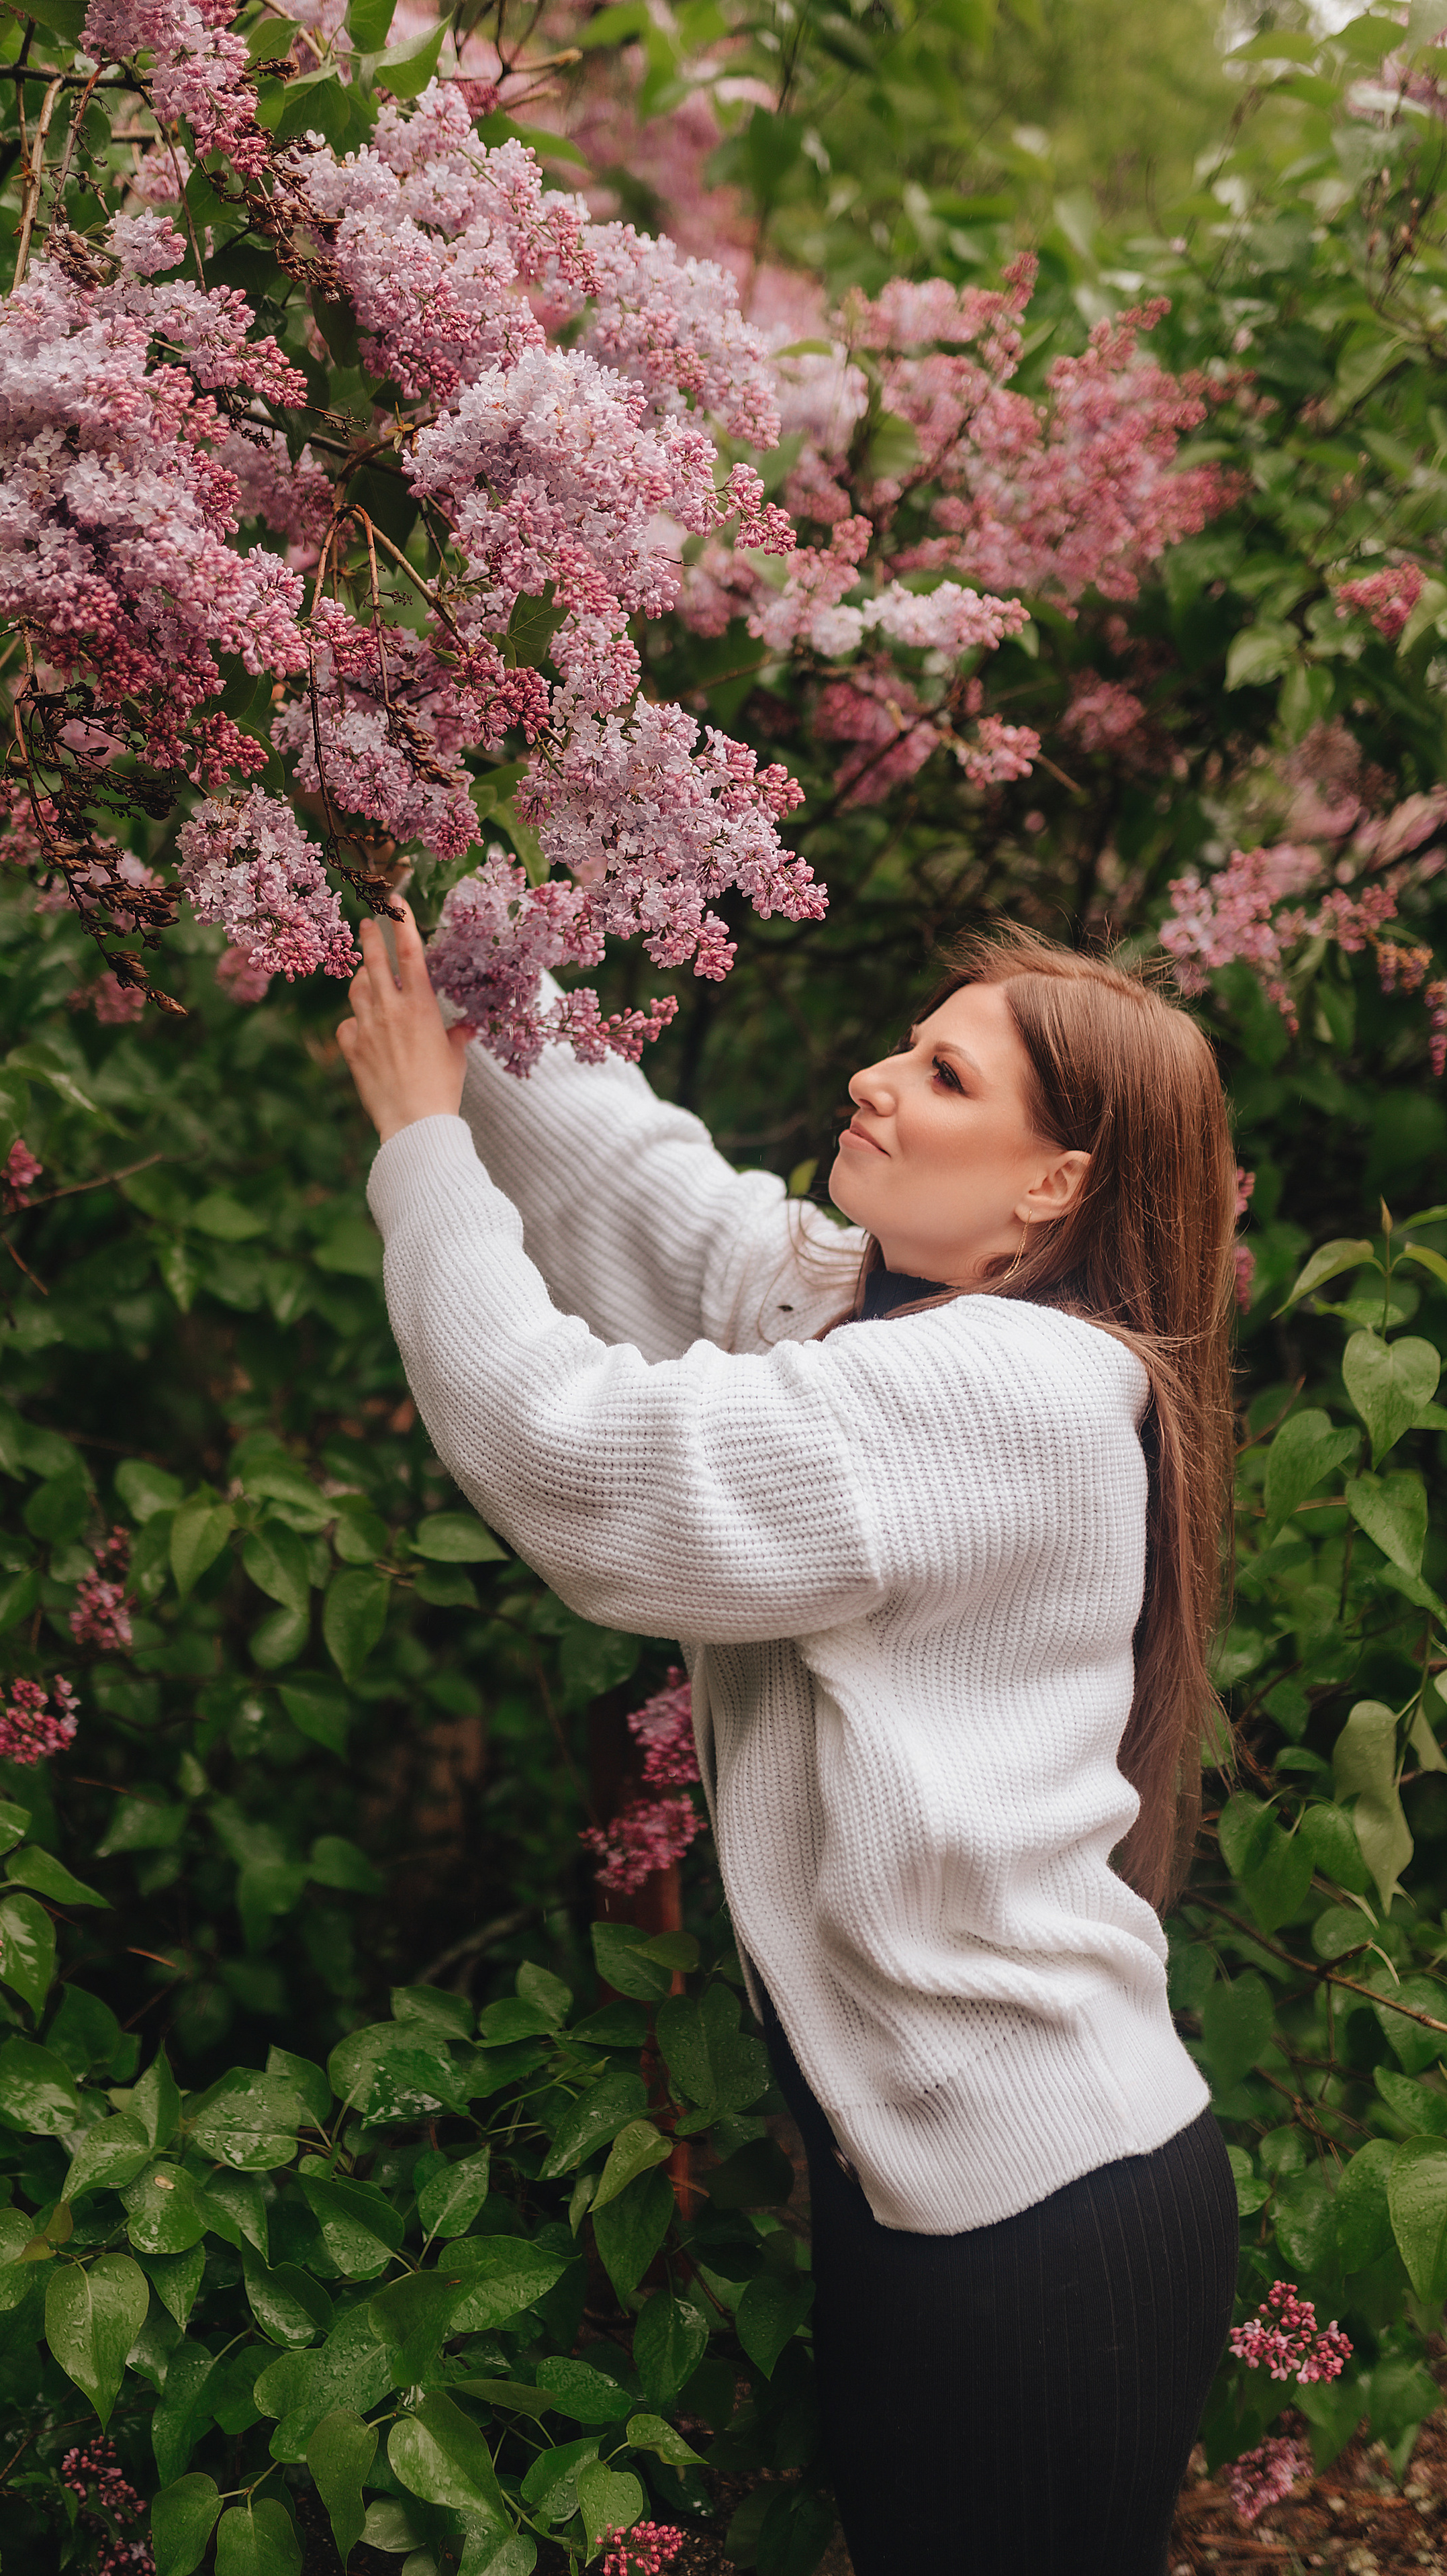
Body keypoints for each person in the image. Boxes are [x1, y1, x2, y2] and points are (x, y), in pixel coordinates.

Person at [336, 908, 1240, 2576]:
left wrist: (419, 1139)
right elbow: (642, 1186)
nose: (873, 1076)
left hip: (1042, 2223)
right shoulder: (863, 1307)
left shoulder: (1006, 1391)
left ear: (1052, 1183)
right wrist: (444, 902)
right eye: (907, 1042)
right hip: (956, 2195)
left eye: (943, 1075)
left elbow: (577, 1457)